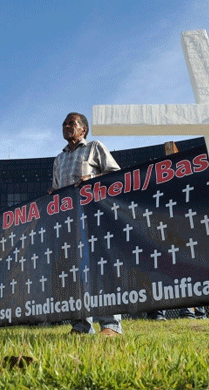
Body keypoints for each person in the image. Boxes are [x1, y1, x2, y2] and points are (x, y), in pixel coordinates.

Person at [50, 112, 123, 336]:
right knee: (74, 273)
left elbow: (115, 175)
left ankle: (111, 325)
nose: (66, 127)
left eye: (71, 123)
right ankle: (81, 326)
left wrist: (92, 180)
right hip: (68, 222)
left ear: (84, 129)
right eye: (64, 124)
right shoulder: (58, 159)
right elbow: (55, 187)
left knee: (99, 269)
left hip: (94, 217)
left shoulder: (94, 147)